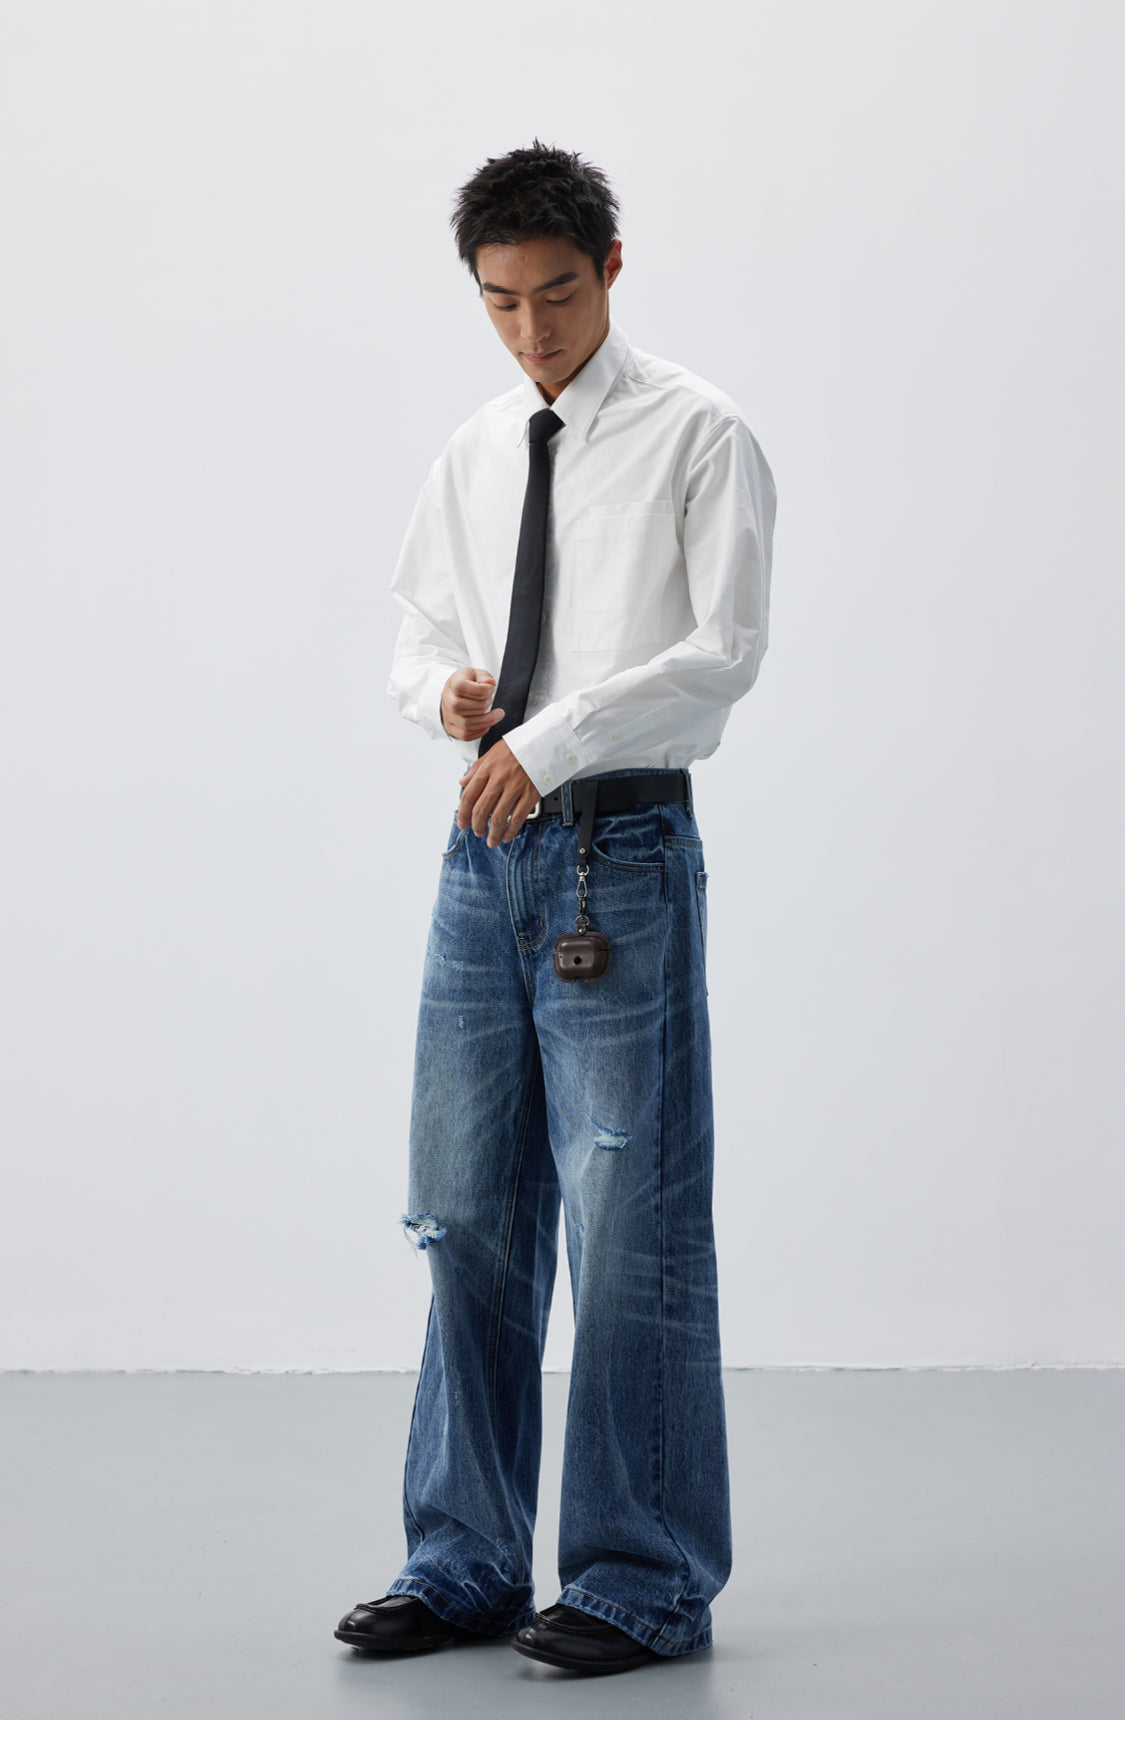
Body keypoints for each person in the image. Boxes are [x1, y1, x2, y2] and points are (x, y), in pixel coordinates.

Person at [334, 141, 776, 1677]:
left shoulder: (698, 433)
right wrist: (447, 698)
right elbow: (413, 633)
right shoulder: (473, 448)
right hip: (485, 853)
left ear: (613, 268)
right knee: (465, 1214)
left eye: (559, 294)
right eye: (501, 302)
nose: (532, 329)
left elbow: (722, 652)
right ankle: (461, 1561)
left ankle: (642, 1578)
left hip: (619, 852)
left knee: (628, 1222)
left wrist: (551, 734)